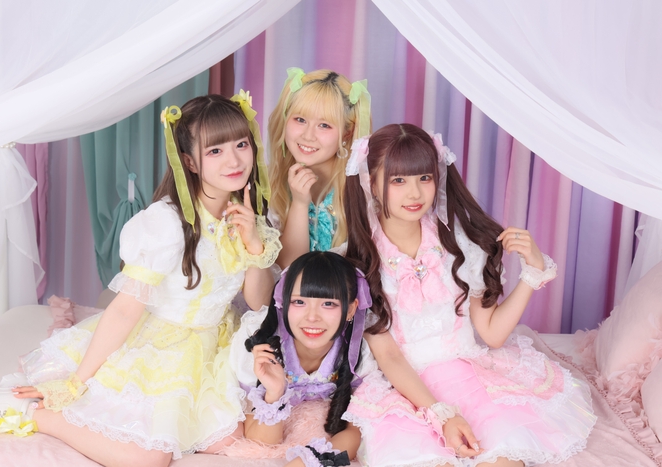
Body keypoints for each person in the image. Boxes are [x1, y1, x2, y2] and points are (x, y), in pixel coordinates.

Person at [0, 93, 282, 467]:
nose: (234, 160)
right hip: (160, 341)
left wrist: (254, 246)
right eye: (216, 150)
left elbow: (259, 302)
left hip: (213, 345)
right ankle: (34, 415)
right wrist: (76, 382)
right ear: (190, 161)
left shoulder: (251, 214)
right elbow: (124, 310)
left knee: (222, 435)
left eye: (241, 144)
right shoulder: (166, 223)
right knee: (149, 458)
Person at [341, 124, 596, 467]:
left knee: (504, 459)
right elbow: (389, 356)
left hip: (467, 376)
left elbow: (491, 334)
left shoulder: (460, 244)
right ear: (371, 182)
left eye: (424, 178)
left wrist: (532, 273)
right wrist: (442, 414)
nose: (415, 193)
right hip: (403, 389)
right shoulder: (358, 262)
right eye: (398, 180)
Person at [222, 251, 379, 466]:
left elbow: (355, 432)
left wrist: (305, 463)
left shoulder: (359, 350)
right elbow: (260, 445)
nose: (312, 317)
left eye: (328, 304)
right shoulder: (259, 340)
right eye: (299, 302)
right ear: (283, 302)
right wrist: (274, 393)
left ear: (351, 309)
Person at [267, 68, 371, 267]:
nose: (308, 136)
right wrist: (299, 204)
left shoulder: (364, 188)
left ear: (347, 133)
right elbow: (288, 268)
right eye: (300, 120)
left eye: (324, 125)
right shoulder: (269, 184)